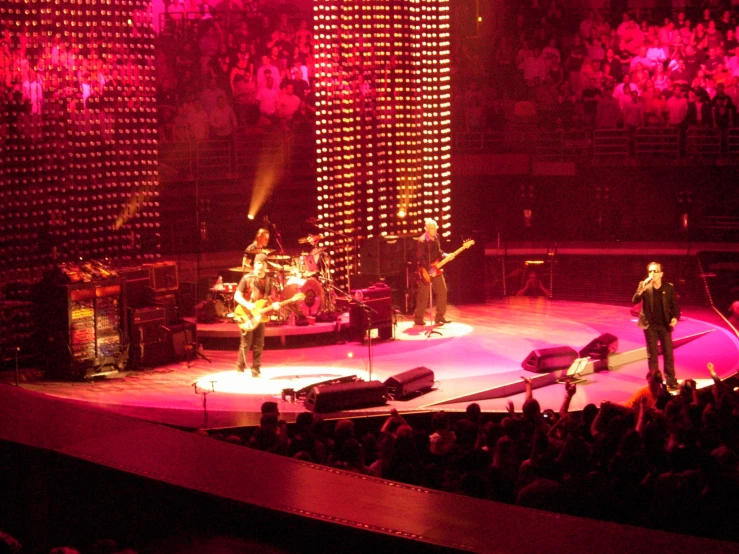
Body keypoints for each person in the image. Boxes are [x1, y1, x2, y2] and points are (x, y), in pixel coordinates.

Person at [631, 262, 681, 390]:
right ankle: (655, 382)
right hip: (650, 326)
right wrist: (642, 288)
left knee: (668, 354)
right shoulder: (644, 285)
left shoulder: (668, 287)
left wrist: (675, 318)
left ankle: (671, 380)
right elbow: (635, 300)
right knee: (652, 355)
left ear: (661, 274)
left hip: (664, 325)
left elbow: (674, 306)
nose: (652, 274)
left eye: (655, 271)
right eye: (650, 271)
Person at [234, 254, 279, 377]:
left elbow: (268, 298)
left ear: (266, 265)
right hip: (247, 313)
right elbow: (237, 296)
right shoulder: (247, 278)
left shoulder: (269, 280)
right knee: (245, 343)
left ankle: (256, 370)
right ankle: (239, 368)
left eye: (263, 263)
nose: (261, 266)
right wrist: (248, 306)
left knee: (259, 343)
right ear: (255, 264)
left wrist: (274, 305)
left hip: (260, 314)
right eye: (259, 263)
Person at [413, 218, 449, 326]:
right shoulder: (422, 241)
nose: (433, 230)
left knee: (442, 291)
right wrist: (430, 269)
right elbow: (420, 258)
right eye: (431, 228)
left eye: (435, 228)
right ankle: (418, 318)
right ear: (426, 229)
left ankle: (440, 316)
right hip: (426, 270)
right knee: (423, 295)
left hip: (436, 268)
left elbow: (438, 251)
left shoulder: (437, 237)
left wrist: (445, 255)